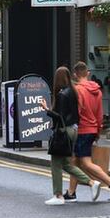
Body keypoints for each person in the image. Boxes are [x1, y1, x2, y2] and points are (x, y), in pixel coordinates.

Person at [41, 66, 101, 206]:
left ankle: (58, 195)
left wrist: (46, 110)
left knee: (55, 162)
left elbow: (60, 117)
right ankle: (92, 182)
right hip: (74, 130)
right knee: (66, 164)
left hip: (64, 130)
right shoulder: (73, 91)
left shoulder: (62, 94)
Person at [71, 61, 110, 202]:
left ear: (75, 75)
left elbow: (78, 111)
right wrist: (98, 131)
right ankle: (71, 193)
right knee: (75, 161)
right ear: (87, 73)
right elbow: (100, 114)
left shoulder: (78, 91)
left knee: (85, 162)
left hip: (82, 129)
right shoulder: (97, 91)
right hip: (93, 128)